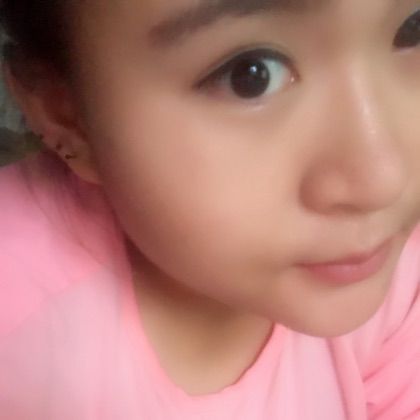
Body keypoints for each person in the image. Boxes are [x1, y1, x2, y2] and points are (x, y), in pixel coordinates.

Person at [1, 0, 420, 418]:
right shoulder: (19, 326)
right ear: (67, 117)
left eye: (412, 30)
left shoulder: (388, 266)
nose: (382, 181)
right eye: (250, 76)